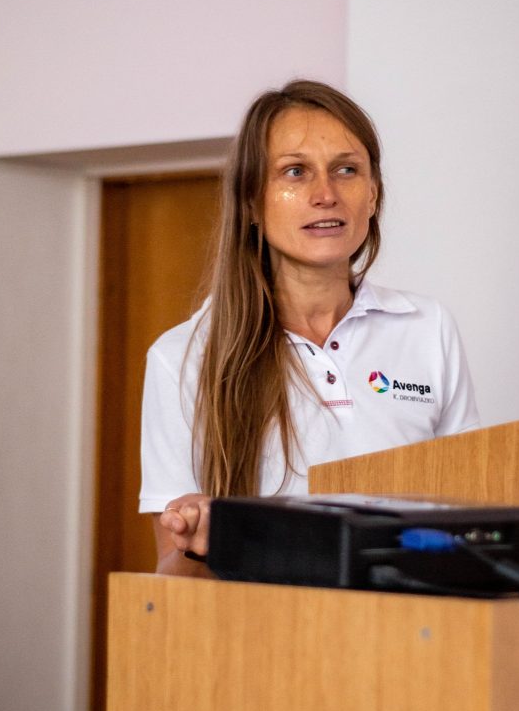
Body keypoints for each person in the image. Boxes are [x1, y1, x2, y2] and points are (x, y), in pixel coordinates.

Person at [140, 80, 479, 576]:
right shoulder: (182, 357)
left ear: (372, 195)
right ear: (252, 202)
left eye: (346, 170)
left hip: (415, 618)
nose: (326, 195)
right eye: (295, 172)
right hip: (275, 622)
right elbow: (171, 579)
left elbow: (469, 514)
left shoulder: (428, 328)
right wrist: (198, 544)